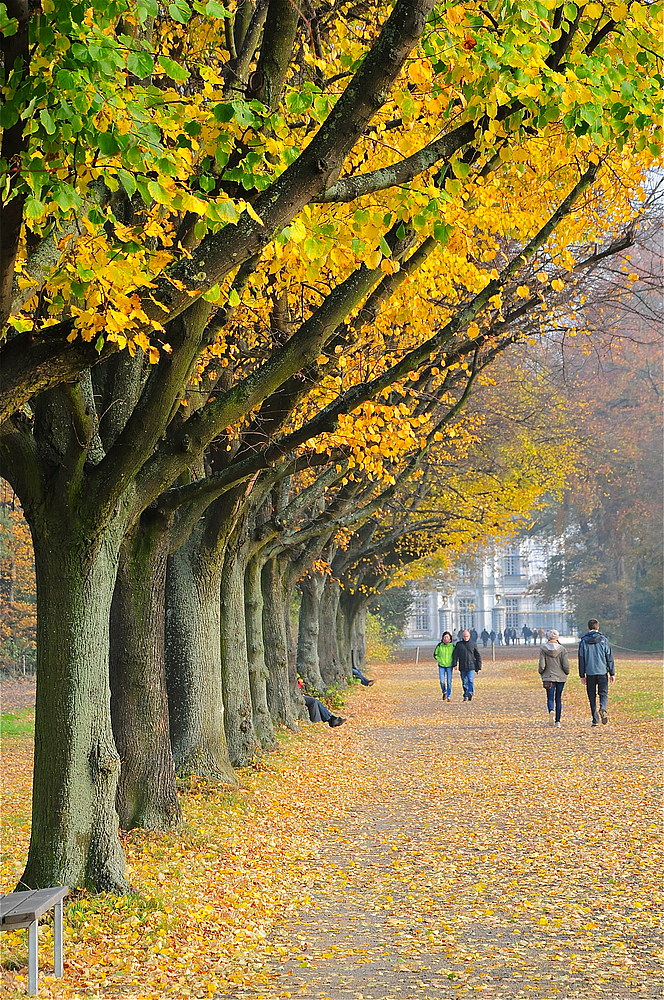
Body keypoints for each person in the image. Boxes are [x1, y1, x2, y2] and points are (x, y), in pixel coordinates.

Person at [578, 618, 615, 726]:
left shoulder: (584, 641)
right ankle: (603, 708)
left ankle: (595, 719)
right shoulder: (603, 640)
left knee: (591, 695)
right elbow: (609, 656)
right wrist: (612, 673)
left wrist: (582, 674)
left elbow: (581, 658)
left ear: (588, 627)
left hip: (590, 672)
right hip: (602, 671)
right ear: (597, 627)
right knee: (603, 693)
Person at [538, 629, 570, 728]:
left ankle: (551, 710)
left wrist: (541, 671)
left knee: (550, 698)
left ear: (548, 637)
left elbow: (542, 665)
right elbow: (565, 665)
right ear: (557, 637)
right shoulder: (562, 649)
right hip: (560, 677)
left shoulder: (543, 649)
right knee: (558, 698)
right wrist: (566, 672)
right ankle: (558, 721)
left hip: (548, 677)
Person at [452, 628, 482, 701]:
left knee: (470, 680)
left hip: (471, 666)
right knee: (464, 682)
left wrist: (478, 667)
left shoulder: (473, 644)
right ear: (462, 636)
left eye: (467, 636)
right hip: (462, 666)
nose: (466, 638)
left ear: (469, 636)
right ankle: (465, 694)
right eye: (464, 636)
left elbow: (477, 656)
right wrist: (455, 664)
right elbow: (455, 655)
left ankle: (470, 692)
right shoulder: (459, 645)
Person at [434, 631, 455, 701]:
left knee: (449, 682)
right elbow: (435, 654)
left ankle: (449, 696)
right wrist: (439, 660)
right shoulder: (439, 645)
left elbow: (455, 656)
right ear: (442, 638)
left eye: (447, 637)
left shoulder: (453, 646)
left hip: (449, 666)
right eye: (445, 637)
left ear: (450, 639)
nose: (446, 639)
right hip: (441, 666)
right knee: (442, 681)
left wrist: (454, 663)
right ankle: (444, 692)